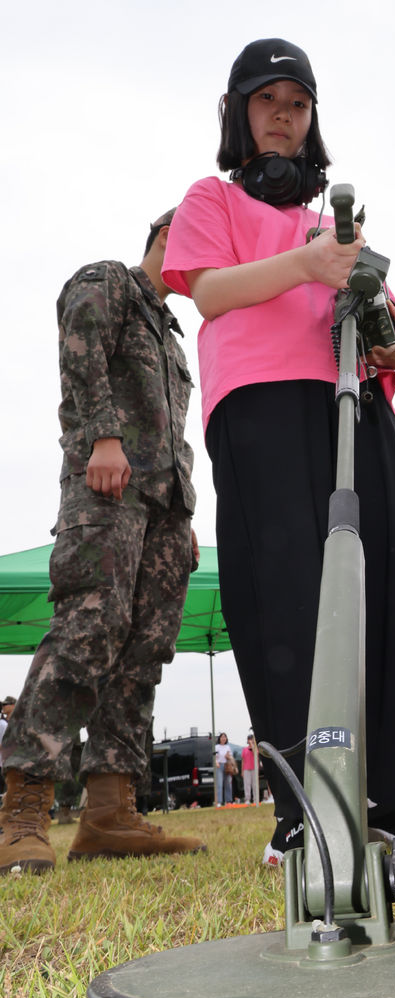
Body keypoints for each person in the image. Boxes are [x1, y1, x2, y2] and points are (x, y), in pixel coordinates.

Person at [162, 37, 395, 864]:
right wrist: (305, 265)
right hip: (258, 401)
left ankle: (386, 797)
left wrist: (379, 319)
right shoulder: (211, 199)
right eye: (267, 102)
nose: (284, 117)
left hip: (351, 401)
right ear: (239, 113)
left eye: (297, 105)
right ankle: (300, 810)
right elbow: (209, 292)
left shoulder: (332, 223)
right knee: (286, 586)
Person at [0, 212, 206, 874]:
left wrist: (182, 518)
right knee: (89, 629)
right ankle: (22, 810)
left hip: (164, 509)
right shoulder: (110, 281)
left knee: (143, 654)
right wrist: (103, 438)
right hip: (107, 484)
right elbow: (81, 347)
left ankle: (109, 814)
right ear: (169, 236)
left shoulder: (174, 339)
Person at [0, 698, 15, 795]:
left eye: (6, 704)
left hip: (7, 762)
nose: (3, 707)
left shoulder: (4, 724)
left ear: (13, 705)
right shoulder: (4, 722)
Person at [215, 732, 234, 805]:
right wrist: (216, 762)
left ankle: (228, 800)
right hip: (219, 765)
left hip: (227, 766)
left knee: (228, 783)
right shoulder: (217, 747)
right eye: (222, 737)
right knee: (219, 784)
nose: (223, 739)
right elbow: (215, 756)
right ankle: (219, 801)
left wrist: (228, 756)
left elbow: (230, 756)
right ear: (219, 738)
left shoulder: (228, 747)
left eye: (224, 737)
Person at [241, 732, 257, 804]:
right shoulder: (244, 749)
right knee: (247, 784)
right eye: (249, 739)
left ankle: (255, 799)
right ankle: (247, 799)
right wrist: (242, 771)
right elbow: (243, 761)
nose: (250, 740)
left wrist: (252, 745)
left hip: (254, 768)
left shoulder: (256, 748)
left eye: (251, 739)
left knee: (254, 784)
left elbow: (255, 754)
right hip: (246, 769)